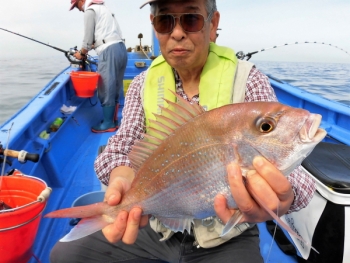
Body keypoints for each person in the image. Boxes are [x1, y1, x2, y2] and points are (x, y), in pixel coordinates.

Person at [51, 0, 316, 262]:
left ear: (212, 25)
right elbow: (119, 148)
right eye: (166, 21)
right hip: (154, 227)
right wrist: (124, 178)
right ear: (155, 28)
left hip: (228, 237)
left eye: (191, 19)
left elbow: (302, 183)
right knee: (66, 255)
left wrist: (283, 196)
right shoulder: (142, 84)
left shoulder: (248, 80)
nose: (177, 32)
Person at [70, 0, 128, 133]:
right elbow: (106, 34)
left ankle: (108, 123)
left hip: (108, 51)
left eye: (77, 5)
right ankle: (113, 120)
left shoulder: (90, 11)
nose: (78, 9)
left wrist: (81, 53)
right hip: (120, 49)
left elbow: (87, 39)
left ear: (82, 1)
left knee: (106, 86)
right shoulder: (105, 9)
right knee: (116, 85)